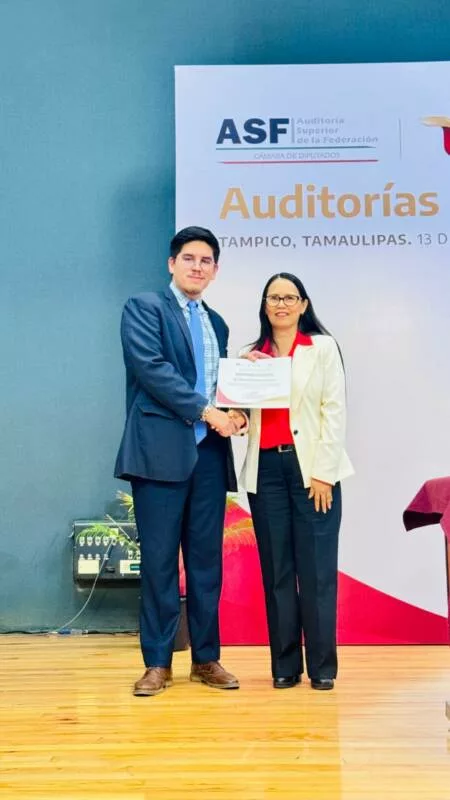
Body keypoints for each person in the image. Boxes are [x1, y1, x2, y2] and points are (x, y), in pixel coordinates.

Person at [114, 226, 246, 696]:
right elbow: (153, 370)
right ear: (172, 264)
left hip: (208, 455)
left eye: (206, 260)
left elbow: (221, 384)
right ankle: (157, 662)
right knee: (159, 563)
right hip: (158, 454)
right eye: (189, 258)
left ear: (215, 270)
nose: (197, 266)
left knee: (207, 563)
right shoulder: (144, 307)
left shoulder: (218, 323)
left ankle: (206, 659)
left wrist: (236, 412)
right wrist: (208, 412)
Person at [239, 272, 354, 690]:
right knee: (278, 573)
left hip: (313, 472)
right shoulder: (249, 355)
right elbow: (240, 417)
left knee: (317, 570)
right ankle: (285, 665)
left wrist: (323, 472)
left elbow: (334, 411)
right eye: (274, 298)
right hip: (266, 471)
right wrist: (237, 397)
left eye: (290, 298)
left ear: (304, 305)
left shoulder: (321, 348)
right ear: (264, 305)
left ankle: (322, 668)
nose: (281, 305)